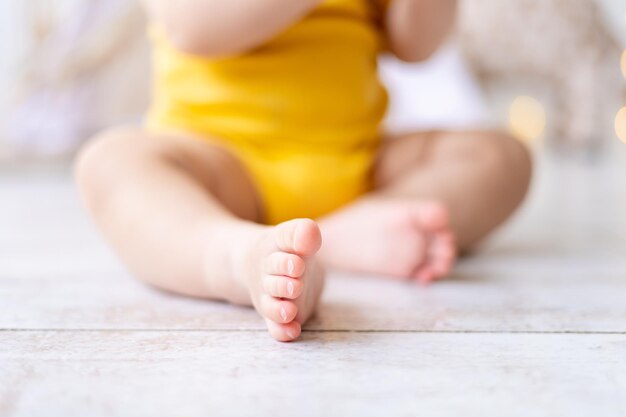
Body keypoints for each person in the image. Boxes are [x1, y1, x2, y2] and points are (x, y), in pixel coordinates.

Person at [75, 0, 532, 342]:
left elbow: (417, 45)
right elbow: (192, 26)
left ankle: (343, 234)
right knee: (110, 162)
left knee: (500, 157)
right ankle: (234, 255)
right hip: (221, 164)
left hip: (357, 163)